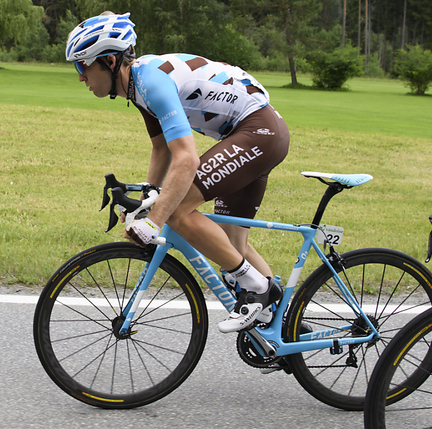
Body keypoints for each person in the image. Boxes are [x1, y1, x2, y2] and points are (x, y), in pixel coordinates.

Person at [65, 12, 289, 332]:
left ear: (111, 62)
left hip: (258, 131)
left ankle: (258, 290)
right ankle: (283, 331)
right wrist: (148, 199)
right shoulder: (138, 87)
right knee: (229, 242)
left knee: (177, 211)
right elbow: (161, 149)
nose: (80, 77)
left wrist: (154, 220)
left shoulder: (151, 83)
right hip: (257, 133)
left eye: (82, 65)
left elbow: (186, 159)